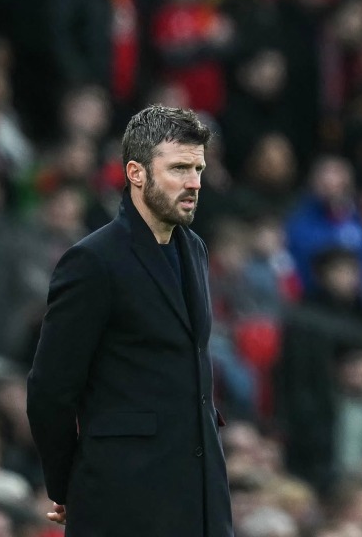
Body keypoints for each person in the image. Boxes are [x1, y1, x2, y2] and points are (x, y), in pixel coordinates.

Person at [27, 105, 233, 536]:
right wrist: (69, 487)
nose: (194, 182)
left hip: (199, 500)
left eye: (198, 168)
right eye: (179, 168)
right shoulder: (92, 261)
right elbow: (50, 388)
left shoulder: (193, 248)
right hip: (121, 499)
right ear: (136, 173)